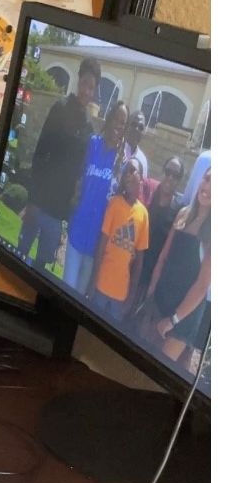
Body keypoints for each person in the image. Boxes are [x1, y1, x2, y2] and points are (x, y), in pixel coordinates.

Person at [18, 57, 100, 275]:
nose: (86, 91)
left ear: (94, 91)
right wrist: (32, 200)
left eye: (91, 87)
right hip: (38, 202)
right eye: (84, 83)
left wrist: (66, 215)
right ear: (78, 81)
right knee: (18, 255)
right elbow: (40, 153)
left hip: (56, 213)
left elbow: (78, 173)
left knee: (40, 269)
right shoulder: (60, 108)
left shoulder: (89, 128)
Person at [143, 167, 211, 372]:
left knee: (158, 370)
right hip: (161, 300)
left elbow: (201, 287)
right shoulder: (183, 214)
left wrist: (173, 320)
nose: (208, 187)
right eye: (207, 179)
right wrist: (151, 294)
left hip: (183, 317)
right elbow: (163, 257)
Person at [66, 100, 128, 295]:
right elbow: (75, 177)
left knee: (79, 295)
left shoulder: (122, 162)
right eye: (116, 119)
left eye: (123, 123)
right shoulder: (92, 144)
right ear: (109, 120)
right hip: (77, 231)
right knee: (66, 288)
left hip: (97, 243)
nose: (118, 125)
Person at [88, 160, 149, 321]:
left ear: (141, 178)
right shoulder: (115, 203)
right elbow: (101, 245)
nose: (128, 174)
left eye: (133, 170)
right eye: (126, 171)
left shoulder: (143, 214)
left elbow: (139, 261)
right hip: (101, 284)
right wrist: (93, 282)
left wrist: (131, 296)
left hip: (121, 293)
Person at [136, 156, 186, 305]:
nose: (170, 177)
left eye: (175, 175)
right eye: (168, 172)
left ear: (180, 180)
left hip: (152, 274)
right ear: (163, 171)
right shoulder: (148, 193)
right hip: (133, 263)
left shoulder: (179, 209)